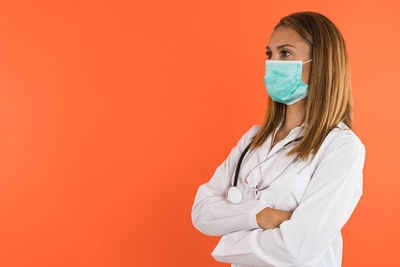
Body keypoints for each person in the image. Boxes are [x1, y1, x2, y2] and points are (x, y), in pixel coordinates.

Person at [191, 11, 366, 267]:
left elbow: (297, 249)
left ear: (321, 63)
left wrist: (226, 243)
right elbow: (201, 211)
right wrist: (260, 216)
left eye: (285, 53)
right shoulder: (253, 139)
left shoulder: (341, 147)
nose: (272, 63)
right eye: (269, 54)